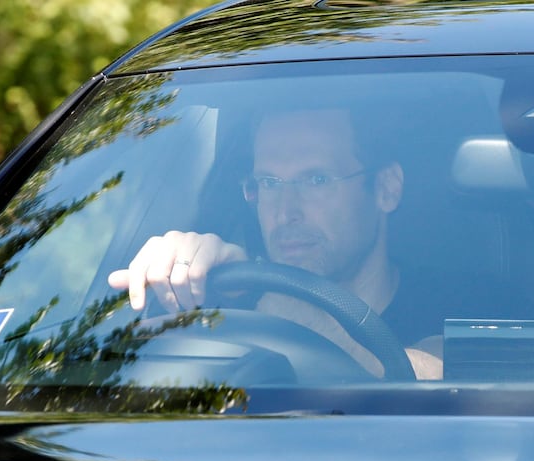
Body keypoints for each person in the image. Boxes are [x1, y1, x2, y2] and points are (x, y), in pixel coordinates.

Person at [108, 108, 443, 380]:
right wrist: (181, 284)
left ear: (387, 188)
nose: (285, 212)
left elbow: (434, 376)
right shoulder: (226, 302)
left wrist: (295, 312)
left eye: (316, 179)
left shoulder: (455, 301)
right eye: (268, 182)